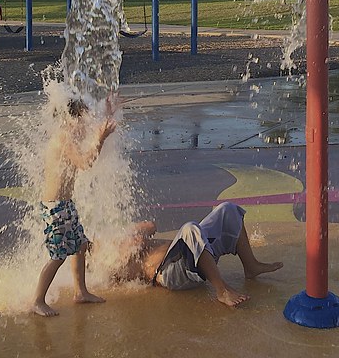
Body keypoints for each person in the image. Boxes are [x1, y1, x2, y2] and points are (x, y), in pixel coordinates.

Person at [32, 98, 117, 317]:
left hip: (64, 205)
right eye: (82, 118)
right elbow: (85, 164)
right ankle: (37, 301)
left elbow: (92, 131)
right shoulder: (64, 138)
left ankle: (81, 292)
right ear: (71, 118)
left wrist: (107, 114)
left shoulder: (69, 134)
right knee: (58, 256)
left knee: (80, 245)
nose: (85, 123)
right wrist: (100, 138)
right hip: (55, 207)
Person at [119, 202, 283, 308]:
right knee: (190, 229)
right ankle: (221, 290)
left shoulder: (116, 240)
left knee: (228, 209)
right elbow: (131, 270)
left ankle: (251, 266)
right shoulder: (109, 261)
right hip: (170, 274)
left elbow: (150, 226)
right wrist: (129, 242)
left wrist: (131, 234)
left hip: (191, 256)